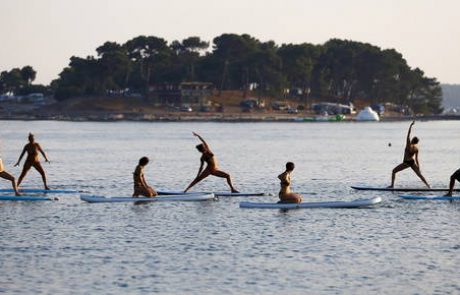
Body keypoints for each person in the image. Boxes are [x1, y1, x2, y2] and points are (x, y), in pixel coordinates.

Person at [389, 121, 430, 188]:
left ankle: (392, 186)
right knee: (420, 175)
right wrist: (418, 167)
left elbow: (408, 134)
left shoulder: (408, 145)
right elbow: (417, 159)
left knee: (394, 171)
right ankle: (429, 186)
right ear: (416, 142)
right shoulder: (416, 148)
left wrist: (410, 126)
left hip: (406, 162)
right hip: (412, 162)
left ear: (412, 140)